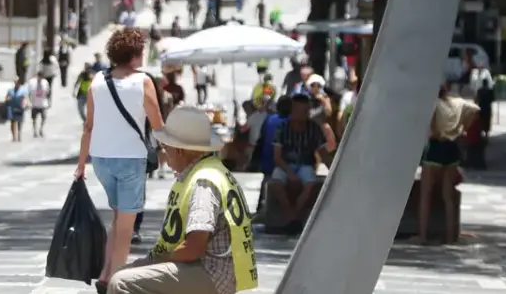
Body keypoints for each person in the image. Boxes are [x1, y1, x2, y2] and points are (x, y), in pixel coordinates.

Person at [106, 105, 258, 294]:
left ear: (179, 150)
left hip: (211, 273)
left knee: (122, 283)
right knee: (126, 273)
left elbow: (194, 247)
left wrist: (157, 261)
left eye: (165, 146)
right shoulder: (209, 171)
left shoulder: (203, 182)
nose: (164, 151)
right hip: (212, 270)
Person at [74, 28, 165, 291]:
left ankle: (105, 275)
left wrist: (81, 165)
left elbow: (88, 127)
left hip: (101, 159)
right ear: (136, 54)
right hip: (130, 159)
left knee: (117, 219)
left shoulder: (97, 81)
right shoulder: (144, 82)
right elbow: (157, 125)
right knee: (126, 228)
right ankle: (118, 283)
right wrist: (171, 150)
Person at [416, 82, 478, 245]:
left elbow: (431, 125)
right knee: (448, 196)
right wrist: (464, 127)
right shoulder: (457, 103)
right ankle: (451, 237)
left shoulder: (433, 104)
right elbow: (475, 109)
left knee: (426, 193)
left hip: (436, 146)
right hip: (452, 147)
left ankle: (423, 235)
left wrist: (435, 129)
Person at [268, 94, 335, 229]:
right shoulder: (282, 128)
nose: (303, 114)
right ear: (292, 110)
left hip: (305, 164)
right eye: (299, 110)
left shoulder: (314, 129)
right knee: (276, 184)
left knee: (310, 183)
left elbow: (322, 152)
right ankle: (290, 214)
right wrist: (290, 173)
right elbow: (277, 157)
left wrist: (334, 170)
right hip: (285, 164)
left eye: (305, 111)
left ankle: (294, 215)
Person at [27, 72, 51, 138]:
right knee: (34, 119)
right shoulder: (32, 82)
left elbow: (48, 92)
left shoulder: (45, 82)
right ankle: (35, 131)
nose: (39, 78)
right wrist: (29, 101)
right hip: (34, 104)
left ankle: (41, 129)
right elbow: (28, 92)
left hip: (43, 104)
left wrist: (49, 101)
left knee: (44, 118)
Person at [5, 78, 28, 142]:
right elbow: (7, 97)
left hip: (19, 108)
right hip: (12, 108)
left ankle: (19, 134)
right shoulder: (10, 90)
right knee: (12, 122)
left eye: (17, 82)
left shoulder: (23, 90)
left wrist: (25, 104)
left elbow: (25, 98)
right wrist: (8, 99)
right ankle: (13, 136)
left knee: (19, 122)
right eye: (15, 82)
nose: (16, 83)